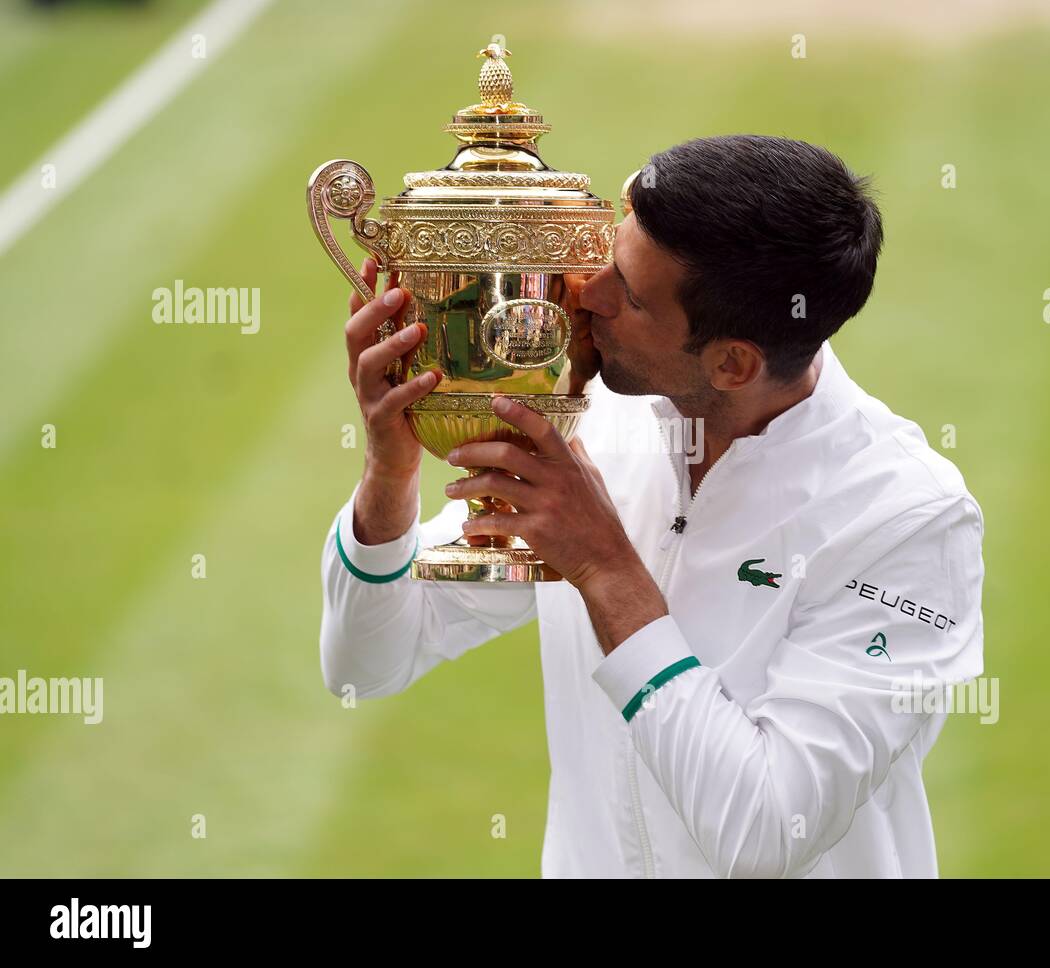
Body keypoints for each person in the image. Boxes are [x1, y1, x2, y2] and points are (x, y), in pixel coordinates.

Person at [320, 134, 985, 878]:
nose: (585, 292)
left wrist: (605, 568)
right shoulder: (590, 423)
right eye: (610, 253)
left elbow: (765, 832)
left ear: (733, 363)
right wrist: (391, 468)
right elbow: (366, 664)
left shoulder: (908, 521)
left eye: (628, 295)